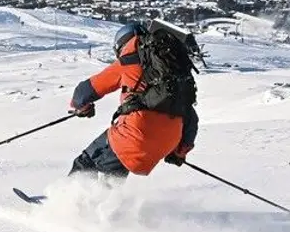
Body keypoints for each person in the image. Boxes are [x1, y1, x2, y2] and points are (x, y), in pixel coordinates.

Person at [68, 21, 198, 179]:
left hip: (135, 133)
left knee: (86, 162)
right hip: (169, 140)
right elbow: (191, 115)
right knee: (113, 170)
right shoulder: (171, 70)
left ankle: (66, 201)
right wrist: (180, 151)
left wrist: (79, 107)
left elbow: (84, 91)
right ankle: (106, 201)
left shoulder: (129, 59)